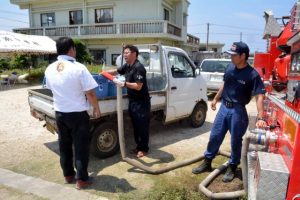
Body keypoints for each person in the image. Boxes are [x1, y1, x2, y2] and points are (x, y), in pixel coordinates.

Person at [192, 42, 267, 182]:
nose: (231, 57)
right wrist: (215, 98)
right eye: (231, 54)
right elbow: (225, 84)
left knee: (235, 141)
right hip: (223, 108)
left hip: (238, 111)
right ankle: (207, 162)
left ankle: (232, 167)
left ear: (243, 56)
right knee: (215, 135)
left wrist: (261, 118)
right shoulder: (230, 67)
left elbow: (259, 97)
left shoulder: (252, 75)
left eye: (234, 55)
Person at [45, 37, 101, 189]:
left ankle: (68, 175)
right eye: (75, 48)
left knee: (64, 145)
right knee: (81, 147)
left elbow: (50, 88)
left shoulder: (50, 68)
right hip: (77, 114)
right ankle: (81, 179)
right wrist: (96, 108)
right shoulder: (79, 67)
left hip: (60, 113)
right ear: (71, 49)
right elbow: (90, 92)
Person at [108, 45, 150, 158]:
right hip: (133, 101)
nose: (124, 55)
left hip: (141, 102)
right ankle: (138, 146)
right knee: (136, 125)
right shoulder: (127, 66)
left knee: (142, 126)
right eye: (124, 53)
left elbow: (138, 86)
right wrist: (104, 73)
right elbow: (116, 71)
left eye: (127, 52)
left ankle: (144, 148)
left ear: (134, 54)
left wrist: (125, 84)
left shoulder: (139, 67)